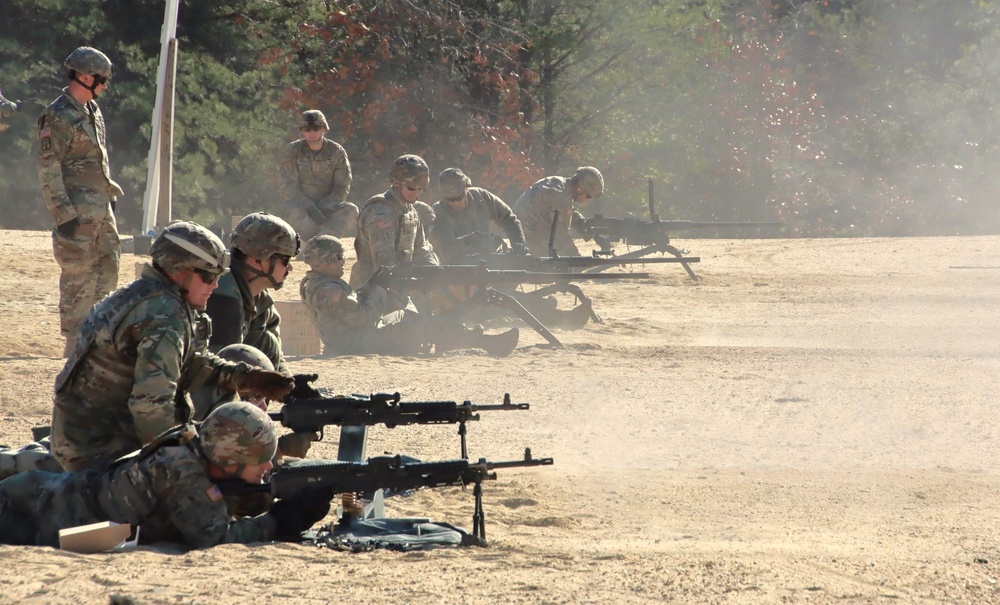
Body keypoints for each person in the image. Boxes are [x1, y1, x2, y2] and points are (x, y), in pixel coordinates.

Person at [50, 221, 295, 473]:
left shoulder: (153, 297)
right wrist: (181, 465)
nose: (214, 285)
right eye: (208, 276)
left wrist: (248, 378)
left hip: (92, 434)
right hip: (100, 451)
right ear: (179, 270)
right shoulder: (163, 317)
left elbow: (195, 364)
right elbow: (151, 408)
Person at [0, 402, 332, 549]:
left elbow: (220, 499)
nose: (268, 466)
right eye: (261, 459)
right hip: (30, 512)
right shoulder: (182, 473)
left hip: (44, 500)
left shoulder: (199, 449)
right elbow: (214, 538)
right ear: (230, 458)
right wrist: (277, 520)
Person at [37, 47, 125, 355]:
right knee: (79, 277)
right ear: (85, 76)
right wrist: (65, 216)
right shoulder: (57, 115)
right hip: (76, 215)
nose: (104, 86)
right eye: (101, 80)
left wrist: (108, 198)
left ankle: (99, 338)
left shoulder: (92, 111)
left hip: (101, 211)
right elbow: (48, 170)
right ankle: (75, 345)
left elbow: (96, 162)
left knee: (109, 269)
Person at [301, 236, 519, 356]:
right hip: (356, 344)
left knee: (405, 315)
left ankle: (453, 336)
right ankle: (488, 343)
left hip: (354, 337)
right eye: (338, 257)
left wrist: (373, 283)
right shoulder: (329, 291)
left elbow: (354, 304)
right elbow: (364, 317)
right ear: (324, 260)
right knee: (426, 326)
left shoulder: (316, 282)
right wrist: (379, 288)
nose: (342, 261)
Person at [205, 212, 301, 373]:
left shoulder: (260, 299)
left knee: (267, 339)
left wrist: (288, 385)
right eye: (285, 260)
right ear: (258, 260)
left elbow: (274, 355)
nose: (289, 267)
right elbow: (216, 369)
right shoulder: (222, 297)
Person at [350, 154, 438, 289]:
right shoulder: (380, 213)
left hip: (398, 285)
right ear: (397, 184)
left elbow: (421, 250)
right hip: (370, 291)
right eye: (411, 188)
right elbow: (384, 265)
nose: (416, 193)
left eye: (421, 188)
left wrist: (435, 272)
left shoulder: (410, 211)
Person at [279, 110, 357, 239]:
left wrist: (323, 207)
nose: (312, 132)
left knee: (351, 210)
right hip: (301, 208)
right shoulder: (293, 151)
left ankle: (322, 242)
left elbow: (342, 186)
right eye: (307, 129)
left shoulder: (337, 152)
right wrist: (310, 208)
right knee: (290, 212)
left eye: (316, 128)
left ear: (324, 129)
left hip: (329, 206)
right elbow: (288, 185)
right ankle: (319, 244)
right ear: (302, 131)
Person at [430, 168, 526, 263]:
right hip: (455, 269)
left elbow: (508, 218)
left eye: (459, 198)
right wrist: (469, 241)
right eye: (450, 200)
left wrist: (518, 243)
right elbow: (445, 253)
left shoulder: (480, 197)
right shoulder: (438, 213)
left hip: (486, 260)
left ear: (466, 189)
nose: (455, 203)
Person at [512, 166, 605, 256]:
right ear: (579, 188)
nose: (586, 200)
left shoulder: (562, 187)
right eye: (588, 196)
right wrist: (575, 257)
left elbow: (570, 216)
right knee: (559, 258)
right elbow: (560, 232)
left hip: (527, 230)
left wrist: (594, 234)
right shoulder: (559, 194)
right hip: (525, 234)